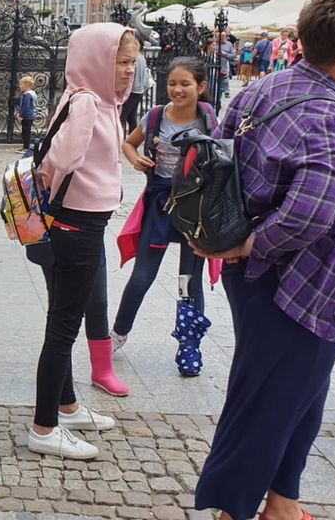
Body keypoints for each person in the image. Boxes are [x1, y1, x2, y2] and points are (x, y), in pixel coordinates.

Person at [194, 0, 335, 520]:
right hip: (300, 278)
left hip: (255, 273)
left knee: (301, 390)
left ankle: (283, 502)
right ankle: (232, 506)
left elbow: (220, 160)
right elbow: (310, 214)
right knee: (269, 399)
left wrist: (240, 242)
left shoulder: (265, 89)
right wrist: (257, 242)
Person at [29, 23, 139, 460]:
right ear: (98, 61)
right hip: (77, 224)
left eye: (132, 62)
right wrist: (55, 189)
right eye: (121, 62)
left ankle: (66, 406)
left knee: (61, 317)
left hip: (71, 221)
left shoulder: (81, 95)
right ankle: (44, 428)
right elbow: (63, 157)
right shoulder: (90, 102)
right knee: (63, 326)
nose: (129, 71)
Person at [111, 57, 216, 374]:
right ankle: (117, 334)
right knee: (142, 275)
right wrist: (135, 159)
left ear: (200, 87)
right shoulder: (156, 116)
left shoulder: (208, 120)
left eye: (185, 84)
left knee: (188, 280)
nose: (177, 89)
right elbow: (128, 144)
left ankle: (189, 345)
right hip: (159, 205)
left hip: (195, 211)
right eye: (172, 83)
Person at [122, 52, 151, 134]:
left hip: (132, 90)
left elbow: (132, 76)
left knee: (122, 117)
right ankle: (131, 139)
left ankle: (119, 141)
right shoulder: (142, 58)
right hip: (139, 90)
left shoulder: (135, 59)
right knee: (132, 117)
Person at [17, 76, 37, 149]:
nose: (20, 86)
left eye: (21, 84)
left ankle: (26, 147)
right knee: (26, 132)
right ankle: (26, 147)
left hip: (27, 116)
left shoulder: (27, 95)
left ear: (27, 85)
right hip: (30, 116)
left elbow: (25, 106)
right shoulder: (31, 94)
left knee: (25, 133)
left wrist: (21, 115)